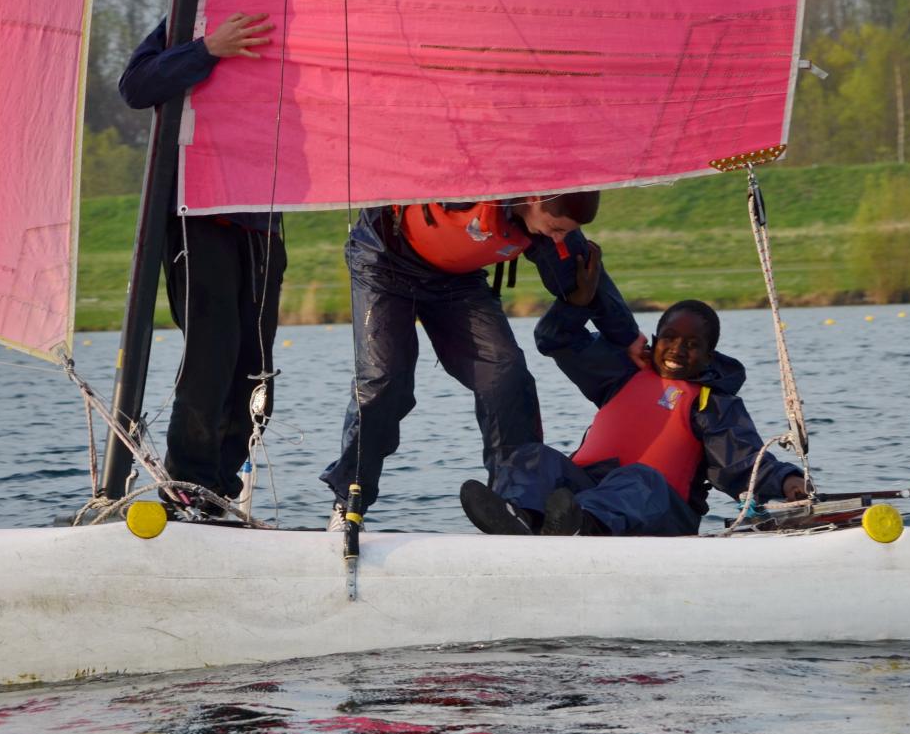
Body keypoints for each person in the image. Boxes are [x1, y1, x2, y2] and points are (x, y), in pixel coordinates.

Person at [319, 194, 645, 530]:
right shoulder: (474, 190)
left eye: (566, 231)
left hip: (455, 280)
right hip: (383, 262)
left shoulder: (549, 222)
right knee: (385, 380)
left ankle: (519, 505)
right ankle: (349, 502)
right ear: (534, 198)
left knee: (506, 373)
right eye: (557, 228)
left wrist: (628, 339)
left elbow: (583, 276)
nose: (559, 236)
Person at [459, 244, 807, 536]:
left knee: (638, 477)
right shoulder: (622, 375)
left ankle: (581, 527)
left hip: (659, 511)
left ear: (708, 356)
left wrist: (787, 480)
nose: (677, 350)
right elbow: (557, 340)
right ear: (655, 340)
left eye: (692, 345)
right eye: (669, 338)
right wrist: (576, 305)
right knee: (533, 456)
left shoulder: (712, 403)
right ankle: (521, 518)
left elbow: (743, 461)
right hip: (586, 496)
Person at [119, 12, 286, 514]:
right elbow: (136, 86)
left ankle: (220, 491)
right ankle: (188, 487)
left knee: (256, 368)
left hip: (263, 216)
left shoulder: (296, 16)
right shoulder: (195, 10)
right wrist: (208, 48)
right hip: (198, 213)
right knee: (212, 356)